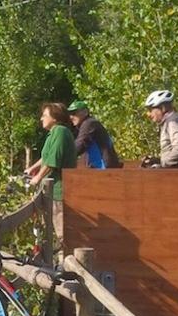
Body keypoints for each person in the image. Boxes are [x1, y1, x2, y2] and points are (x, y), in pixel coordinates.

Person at [26, 103, 77, 239]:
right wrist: (32, 169)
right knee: (49, 230)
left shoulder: (60, 132)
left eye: (44, 115)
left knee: (61, 232)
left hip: (59, 190)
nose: (41, 119)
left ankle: (64, 259)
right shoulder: (53, 133)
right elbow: (46, 157)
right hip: (52, 189)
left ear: (55, 118)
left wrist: (37, 178)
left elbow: (53, 160)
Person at [142, 90, 178, 168]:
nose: (149, 114)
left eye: (151, 110)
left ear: (162, 108)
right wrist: (157, 160)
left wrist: (162, 163)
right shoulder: (173, 120)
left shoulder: (173, 122)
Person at [66, 101, 122, 169]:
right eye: (70, 114)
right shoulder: (86, 124)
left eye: (74, 113)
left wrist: (64, 156)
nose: (71, 117)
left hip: (105, 168)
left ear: (85, 112)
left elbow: (80, 145)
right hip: (101, 168)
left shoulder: (89, 123)